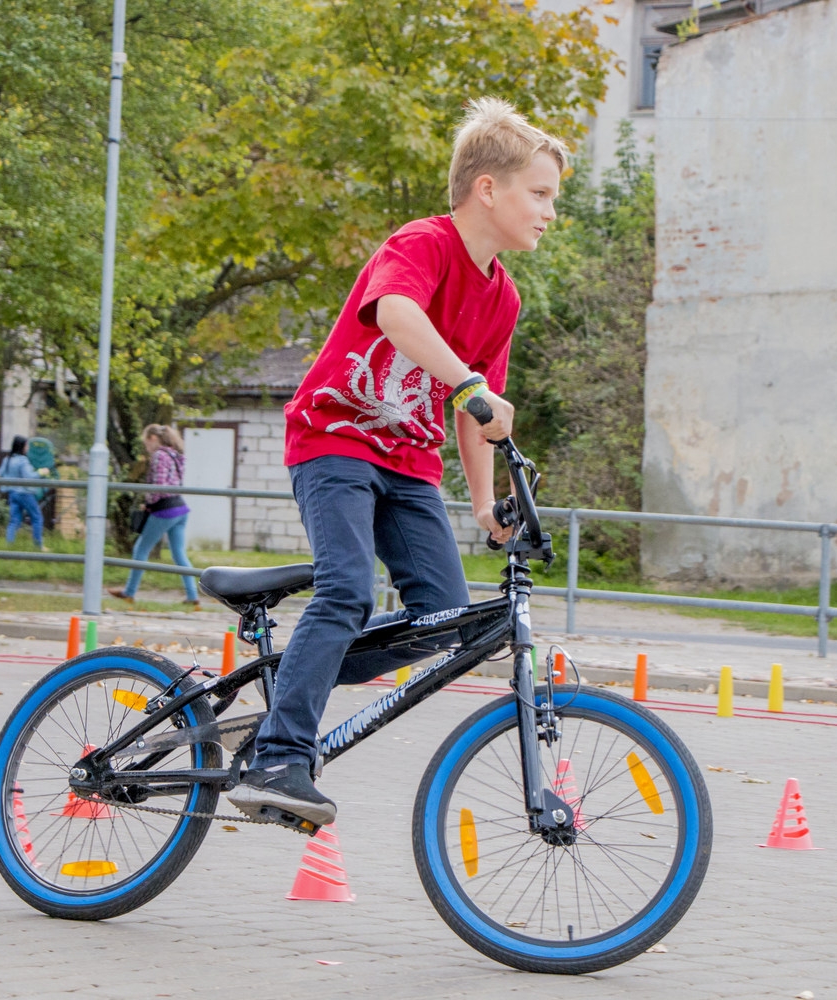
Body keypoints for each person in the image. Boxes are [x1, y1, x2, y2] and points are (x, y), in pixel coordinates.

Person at [227, 98, 565, 827]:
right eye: (538, 194)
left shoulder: (501, 298)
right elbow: (396, 316)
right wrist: (472, 387)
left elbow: (475, 417)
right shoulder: (422, 242)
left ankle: (290, 686)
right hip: (335, 438)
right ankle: (280, 754)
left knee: (445, 623)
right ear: (488, 189)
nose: (548, 212)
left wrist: (482, 506)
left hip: (409, 464)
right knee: (347, 588)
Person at [109, 424, 202, 606]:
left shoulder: (159, 455)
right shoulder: (176, 455)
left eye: (146, 443)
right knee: (179, 554)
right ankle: (193, 596)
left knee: (141, 549)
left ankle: (129, 592)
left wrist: (149, 502)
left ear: (152, 438)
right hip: (180, 508)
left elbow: (159, 485)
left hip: (164, 509)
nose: (146, 447)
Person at [0, 435, 45, 550]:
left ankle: (9, 546)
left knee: (14, 521)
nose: (28, 447)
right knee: (37, 517)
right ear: (22, 446)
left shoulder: (7, 459)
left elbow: (0, 474)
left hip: (12, 493)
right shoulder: (23, 461)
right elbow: (29, 476)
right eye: (27, 445)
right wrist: (40, 472)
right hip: (25, 493)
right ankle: (38, 545)